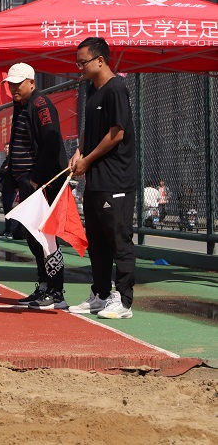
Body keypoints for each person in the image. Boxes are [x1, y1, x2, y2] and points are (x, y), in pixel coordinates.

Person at [69, 37, 137, 319]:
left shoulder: (116, 89)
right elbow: (90, 130)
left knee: (118, 240)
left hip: (116, 180)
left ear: (100, 60)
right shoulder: (91, 90)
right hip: (95, 181)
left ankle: (124, 301)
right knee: (96, 241)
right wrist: (78, 152)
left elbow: (116, 133)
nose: (79, 68)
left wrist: (87, 160)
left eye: (82, 62)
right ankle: (100, 294)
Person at [1, 63, 69, 310]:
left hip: (42, 183)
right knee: (33, 237)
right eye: (10, 84)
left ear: (31, 82)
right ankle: (44, 286)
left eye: (18, 83)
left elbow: (52, 142)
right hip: (28, 184)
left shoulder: (41, 105)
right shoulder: (21, 105)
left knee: (46, 238)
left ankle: (57, 292)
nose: (13, 88)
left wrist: (35, 179)